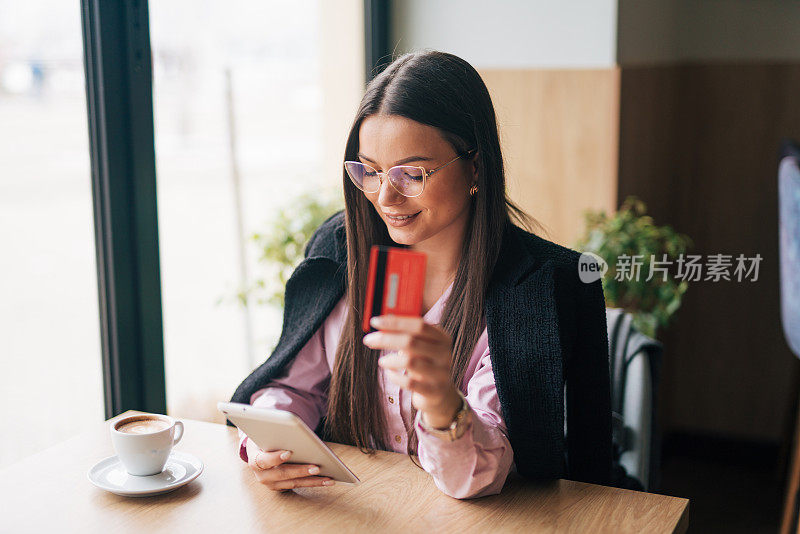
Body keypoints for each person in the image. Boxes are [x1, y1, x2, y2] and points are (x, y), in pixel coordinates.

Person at [228, 50, 612, 498]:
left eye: (411, 173)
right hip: (358, 511)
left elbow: (483, 476)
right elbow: (294, 386)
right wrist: (266, 442)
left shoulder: (540, 287)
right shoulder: (340, 250)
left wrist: (442, 403)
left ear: (474, 165)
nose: (386, 196)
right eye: (368, 171)